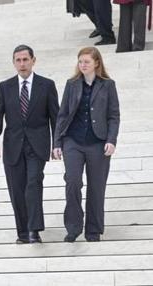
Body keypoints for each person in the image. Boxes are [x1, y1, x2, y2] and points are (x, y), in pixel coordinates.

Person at [0, 45, 59, 244]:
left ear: (33, 60)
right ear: (13, 63)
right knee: (16, 189)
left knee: (33, 184)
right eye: (18, 60)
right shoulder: (5, 87)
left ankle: (34, 230)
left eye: (25, 60)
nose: (22, 64)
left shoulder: (47, 85)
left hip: (37, 145)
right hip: (13, 146)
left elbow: (56, 117)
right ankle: (23, 233)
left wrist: (57, 143)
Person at [53, 47, 120, 243]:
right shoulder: (72, 84)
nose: (83, 65)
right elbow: (62, 114)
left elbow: (114, 116)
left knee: (96, 187)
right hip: (73, 141)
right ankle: (73, 228)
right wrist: (57, 142)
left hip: (98, 143)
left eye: (87, 62)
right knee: (72, 182)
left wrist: (111, 140)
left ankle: (93, 231)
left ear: (96, 63)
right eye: (80, 61)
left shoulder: (108, 85)